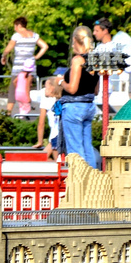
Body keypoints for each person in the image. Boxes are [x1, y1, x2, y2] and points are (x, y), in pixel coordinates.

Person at [58, 26, 102, 168]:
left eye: (73, 41)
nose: (71, 45)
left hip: (74, 107)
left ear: (77, 41)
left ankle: (80, 181)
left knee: (75, 148)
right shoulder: (95, 59)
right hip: (88, 106)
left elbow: (72, 88)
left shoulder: (78, 60)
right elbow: (96, 90)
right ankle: (92, 179)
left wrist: (60, 81)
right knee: (87, 146)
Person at [3, 17, 47, 115]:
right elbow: (45, 46)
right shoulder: (34, 35)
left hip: (18, 67)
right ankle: (26, 111)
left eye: (15, 26)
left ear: (19, 25)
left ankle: (8, 112)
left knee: (13, 89)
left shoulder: (16, 36)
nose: (14, 29)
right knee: (27, 88)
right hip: (30, 67)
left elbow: (8, 48)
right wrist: (36, 57)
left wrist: (4, 56)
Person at [33, 75, 64, 156]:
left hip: (55, 135)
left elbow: (41, 123)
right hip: (64, 133)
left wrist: (40, 141)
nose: (44, 90)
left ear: (52, 88)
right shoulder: (63, 99)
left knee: (56, 163)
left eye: (46, 88)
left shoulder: (46, 100)